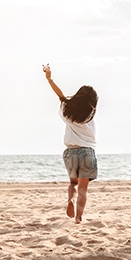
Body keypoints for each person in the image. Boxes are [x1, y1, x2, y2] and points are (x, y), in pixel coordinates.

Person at [43, 64, 99, 223]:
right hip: (88, 152)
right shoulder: (89, 116)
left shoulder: (67, 112)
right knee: (83, 188)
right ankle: (79, 217)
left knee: (73, 183)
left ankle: (70, 201)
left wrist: (49, 78)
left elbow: (60, 96)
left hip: (70, 152)